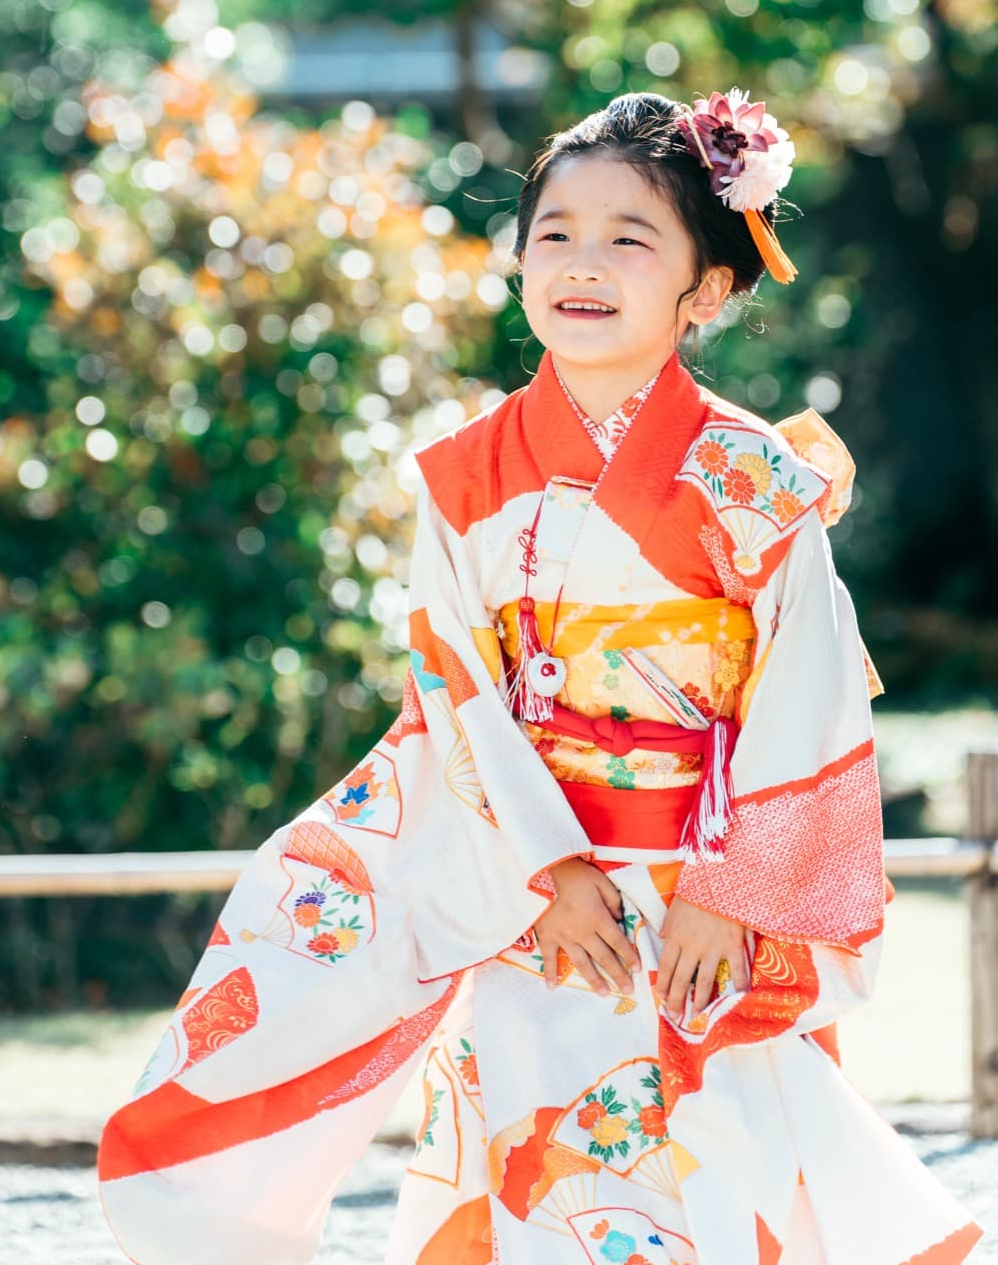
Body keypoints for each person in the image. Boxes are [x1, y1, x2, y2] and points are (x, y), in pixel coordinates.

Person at [98, 89, 983, 1265]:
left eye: (629, 238)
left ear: (705, 287)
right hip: (538, 882)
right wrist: (551, 867)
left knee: (723, 1146)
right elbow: (454, 682)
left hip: (697, 888)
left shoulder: (751, 474)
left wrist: (727, 893)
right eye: (554, 231)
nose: (581, 261)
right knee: (538, 1145)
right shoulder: (468, 473)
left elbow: (807, 687)